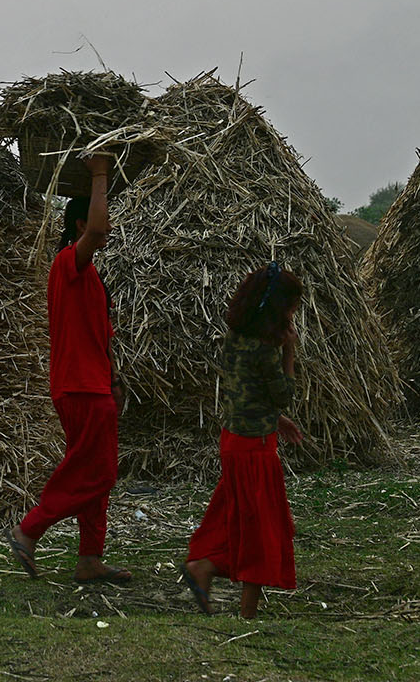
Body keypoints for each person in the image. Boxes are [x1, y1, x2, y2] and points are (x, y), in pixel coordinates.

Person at [7, 154, 131, 584]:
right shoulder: (68, 264)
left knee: (96, 472)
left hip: (93, 385)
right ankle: (29, 529)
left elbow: (100, 338)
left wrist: (113, 381)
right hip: (80, 388)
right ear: (80, 226)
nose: (107, 226)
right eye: (100, 218)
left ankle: (89, 558)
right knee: (96, 471)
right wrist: (100, 172)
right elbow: (99, 229)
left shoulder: (91, 277)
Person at [182, 262, 305, 618]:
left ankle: (204, 568)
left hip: (234, 439)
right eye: (292, 306)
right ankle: (247, 612)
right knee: (261, 529)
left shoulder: (235, 337)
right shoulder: (267, 349)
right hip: (254, 450)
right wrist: (289, 353)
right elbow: (282, 393)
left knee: (239, 519)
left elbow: (243, 392)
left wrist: (275, 421)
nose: (294, 313)